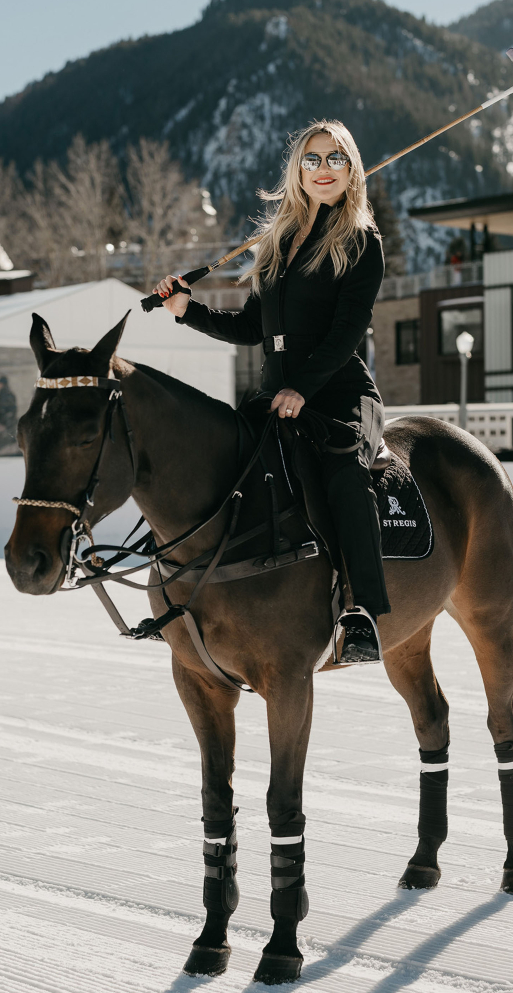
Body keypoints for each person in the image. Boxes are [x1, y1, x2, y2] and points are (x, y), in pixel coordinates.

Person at [155, 119, 388, 663]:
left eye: (335, 158)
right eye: (313, 159)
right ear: (297, 170)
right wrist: (188, 312)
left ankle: (361, 613)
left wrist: (302, 389)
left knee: (346, 477)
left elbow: (345, 334)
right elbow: (251, 329)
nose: (324, 168)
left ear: (351, 168)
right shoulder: (278, 243)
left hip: (339, 395)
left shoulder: (360, 240)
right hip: (277, 397)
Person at [0, 375, 17, 440]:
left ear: (2, 384)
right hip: (9, 422)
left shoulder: (3, 394)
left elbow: (1, 409)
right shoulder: (10, 394)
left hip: (3, 422)